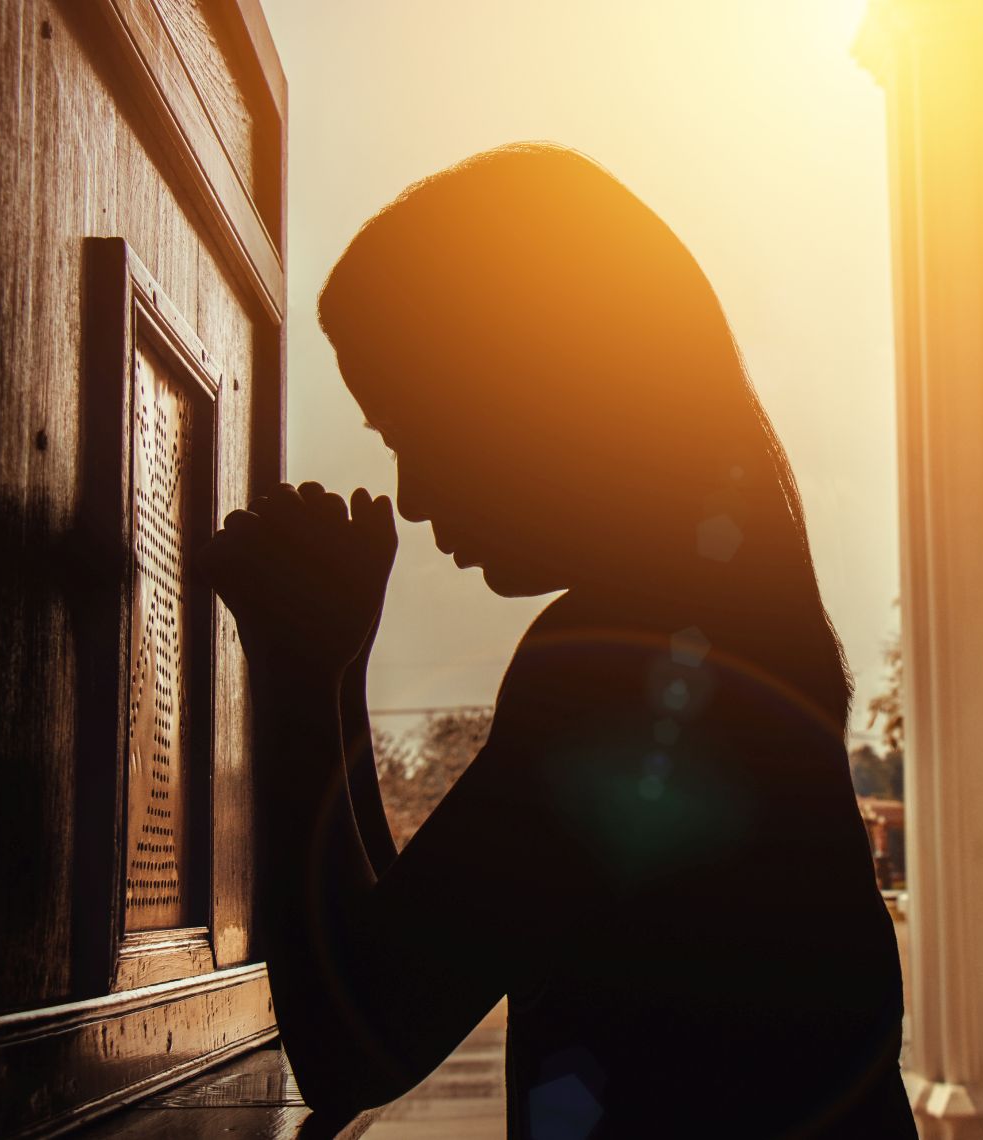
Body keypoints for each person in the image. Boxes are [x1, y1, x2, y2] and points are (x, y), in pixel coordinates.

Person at [199, 142, 915, 1138]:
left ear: (526, 393)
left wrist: (291, 668)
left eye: (411, 425)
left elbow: (352, 1046)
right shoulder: (721, 621)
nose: (408, 493)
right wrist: (331, 666)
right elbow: (389, 949)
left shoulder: (624, 666)